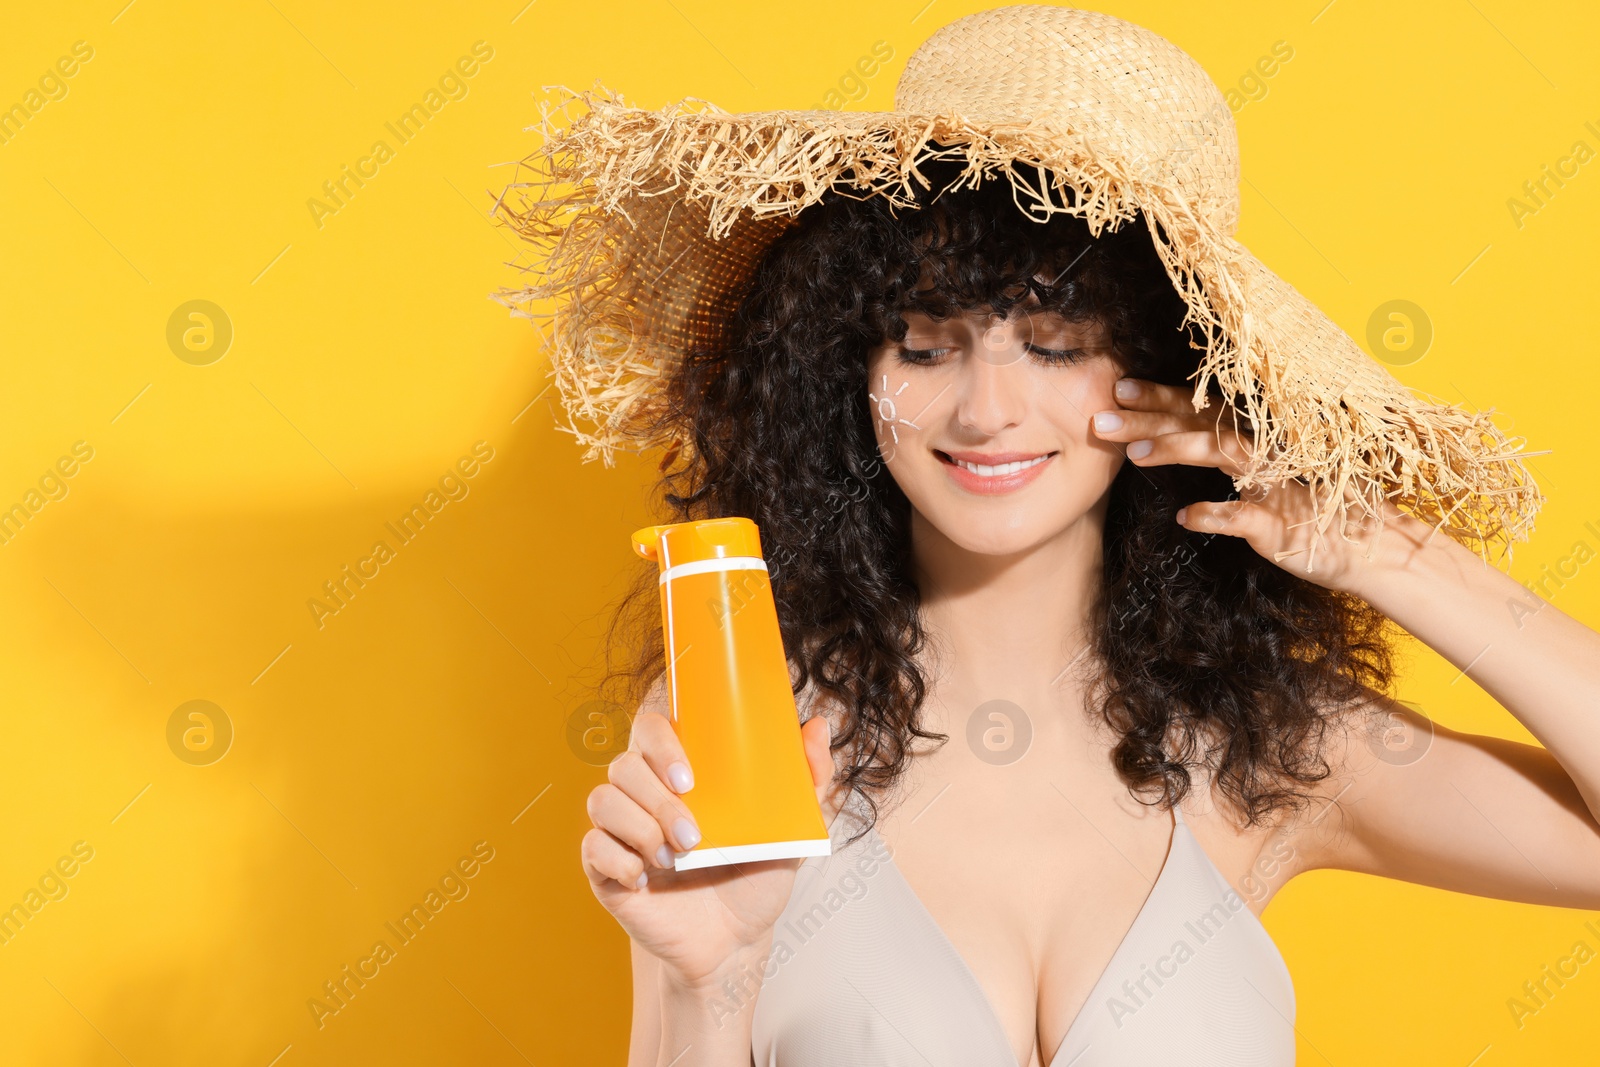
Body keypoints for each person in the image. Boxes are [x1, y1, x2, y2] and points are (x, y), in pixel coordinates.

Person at [492, 7, 1600, 1065]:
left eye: (1057, 343)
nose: (986, 410)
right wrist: (702, 974)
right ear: (852, 373)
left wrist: (1370, 544)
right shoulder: (754, 729)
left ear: (1163, 374)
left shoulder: (1268, 746)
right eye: (925, 345)